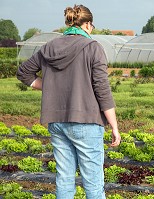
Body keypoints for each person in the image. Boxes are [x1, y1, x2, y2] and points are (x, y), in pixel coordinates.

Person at [17, 4, 121, 199]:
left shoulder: (49, 47)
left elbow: (23, 73)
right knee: (93, 183)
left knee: (64, 179)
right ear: (88, 24)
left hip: (56, 121)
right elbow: (102, 89)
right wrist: (114, 126)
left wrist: (48, 86)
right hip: (87, 122)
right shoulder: (93, 47)